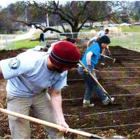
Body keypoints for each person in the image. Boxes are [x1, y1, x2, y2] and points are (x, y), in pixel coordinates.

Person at [0, 41, 81, 139]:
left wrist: (61, 120)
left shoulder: (62, 71)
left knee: (56, 127)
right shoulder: (29, 61)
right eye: (68, 67)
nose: (69, 70)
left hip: (39, 94)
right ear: (59, 63)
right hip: (18, 95)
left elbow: (56, 94)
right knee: (21, 135)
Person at [78, 35, 114, 108]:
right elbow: (88, 55)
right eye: (106, 44)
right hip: (85, 68)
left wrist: (91, 67)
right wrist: (89, 67)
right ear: (103, 42)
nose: (106, 45)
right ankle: (105, 100)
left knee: (90, 85)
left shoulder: (95, 45)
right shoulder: (97, 46)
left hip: (81, 68)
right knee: (95, 84)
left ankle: (86, 102)